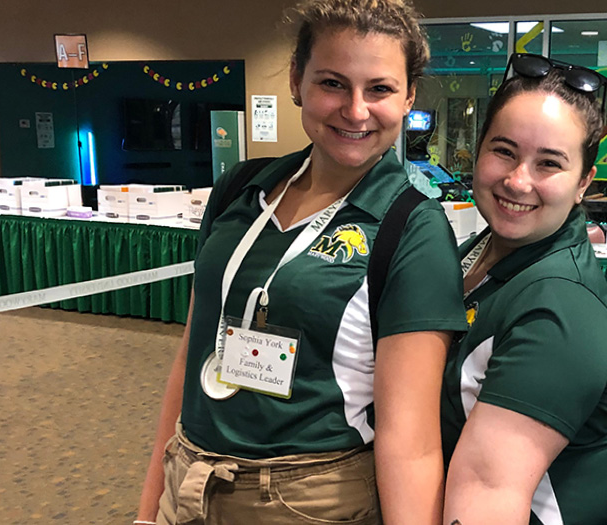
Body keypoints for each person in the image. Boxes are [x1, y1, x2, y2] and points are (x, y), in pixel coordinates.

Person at [135, 1, 467, 524]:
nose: (355, 110)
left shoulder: (413, 230)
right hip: (190, 481)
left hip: (308, 499)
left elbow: (413, 442)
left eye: (379, 89)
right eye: (333, 83)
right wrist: (149, 508)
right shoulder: (239, 190)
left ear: (408, 97)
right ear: (297, 80)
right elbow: (189, 357)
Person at [440, 54, 607, 525]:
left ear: (583, 183)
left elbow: (490, 491)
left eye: (549, 164)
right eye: (504, 151)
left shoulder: (561, 309)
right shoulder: (483, 246)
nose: (517, 180)